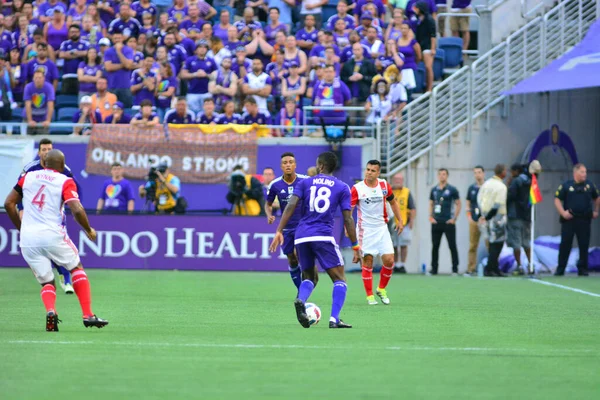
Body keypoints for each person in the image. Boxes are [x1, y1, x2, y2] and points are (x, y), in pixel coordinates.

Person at [4, 149, 109, 331]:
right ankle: (88, 315)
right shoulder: (65, 180)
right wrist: (88, 229)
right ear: (62, 165)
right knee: (76, 268)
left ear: (44, 163)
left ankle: (51, 311)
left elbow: (8, 203)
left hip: (28, 240)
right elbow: (76, 209)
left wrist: (21, 228)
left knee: (47, 282)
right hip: (53, 234)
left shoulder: (28, 177)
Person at [269, 151, 360, 329]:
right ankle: (334, 319)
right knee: (340, 279)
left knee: (310, 277)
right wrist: (355, 245)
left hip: (301, 236)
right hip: (323, 235)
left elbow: (290, 206)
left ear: (320, 166)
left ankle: (300, 300)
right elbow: (348, 219)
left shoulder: (305, 182)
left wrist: (279, 230)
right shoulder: (342, 187)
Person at [21, 139, 77, 294]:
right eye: (44, 149)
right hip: (34, 214)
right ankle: (50, 280)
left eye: (49, 149)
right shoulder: (30, 169)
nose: (46, 152)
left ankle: (65, 279)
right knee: (43, 249)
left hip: (54, 214)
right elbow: (18, 193)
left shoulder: (64, 169)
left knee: (57, 243)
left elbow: (74, 190)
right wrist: (21, 212)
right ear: (39, 152)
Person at [351, 160, 404, 305]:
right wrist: (351, 236)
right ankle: (369, 296)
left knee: (389, 260)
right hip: (365, 230)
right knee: (368, 261)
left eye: (373, 170)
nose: (369, 172)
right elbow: (348, 213)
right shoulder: (357, 189)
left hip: (382, 228)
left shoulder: (384, 185)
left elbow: (393, 202)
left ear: (378, 173)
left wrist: (400, 220)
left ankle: (381, 289)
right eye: (367, 169)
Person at [265, 153, 309, 290]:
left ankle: (305, 290)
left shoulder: (305, 181)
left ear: (295, 165)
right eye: (285, 162)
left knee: (302, 256)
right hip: (286, 228)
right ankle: (300, 289)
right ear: (281, 166)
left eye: (291, 162)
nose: (288, 164)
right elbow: (268, 204)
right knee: (291, 257)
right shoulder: (275, 184)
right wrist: (269, 214)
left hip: (303, 226)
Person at [554, 163, 599, 276]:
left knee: (584, 245)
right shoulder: (567, 185)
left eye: (585, 172)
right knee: (565, 244)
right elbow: (557, 199)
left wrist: (596, 211)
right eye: (582, 172)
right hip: (569, 220)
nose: (585, 174)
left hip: (584, 219)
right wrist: (563, 213)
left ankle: (583, 269)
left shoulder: (589, 185)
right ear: (576, 173)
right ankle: (560, 269)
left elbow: (597, 198)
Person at [477, 164, 508, 277]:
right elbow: (497, 205)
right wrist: (489, 216)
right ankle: (491, 268)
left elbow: (479, 199)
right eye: (505, 170)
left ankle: (494, 268)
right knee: (497, 244)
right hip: (496, 218)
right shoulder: (501, 187)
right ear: (502, 172)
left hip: (485, 216)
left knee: (491, 243)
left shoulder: (486, 184)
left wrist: (483, 215)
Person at [429, 168, 461, 275]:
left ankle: (455, 269)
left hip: (448, 222)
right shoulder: (434, 190)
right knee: (435, 246)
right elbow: (431, 204)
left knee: (452, 245)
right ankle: (434, 269)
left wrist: (454, 218)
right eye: (440, 174)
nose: (442, 176)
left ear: (447, 176)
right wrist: (430, 217)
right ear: (438, 176)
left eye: (444, 174)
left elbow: (458, 204)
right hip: (436, 222)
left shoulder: (452, 190)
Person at [506, 163, 532, 275]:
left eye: (511, 171)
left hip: (515, 215)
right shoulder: (530, 181)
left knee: (516, 241)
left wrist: (508, 185)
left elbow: (510, 196)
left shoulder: (516, 181)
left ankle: (519, 265)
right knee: (526, 241)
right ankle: (531, 264)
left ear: (516, 171)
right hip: (526, 215)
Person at [388, 172, 416, 274]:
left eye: (399, 180)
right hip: (392, 223)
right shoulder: (389, 191)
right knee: (393, 245)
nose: (397, 181)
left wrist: (411, 221)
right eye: (396, 179)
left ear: (402, 181)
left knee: (404, 245)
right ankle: (395, 265)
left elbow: (412, 208)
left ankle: (402, 265)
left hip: (404, 223)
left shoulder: (407, 192)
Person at [181, 40, 217, 114]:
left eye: (204, 47)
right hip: (192, 92)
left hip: (206, 92)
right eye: (200, 47)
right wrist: (195, 74)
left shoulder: (211, 61)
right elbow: (183, 75)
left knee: (206, 114)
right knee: (192, 114)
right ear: (196, 49)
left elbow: (216, 76)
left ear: (207, 49)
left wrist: (206, 75)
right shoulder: (190, 60)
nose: (202, 49)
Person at [104, 30, 135, 108]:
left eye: (119, 38)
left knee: (127, 109)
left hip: (125, 86)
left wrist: (118, 52)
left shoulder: (128, 50)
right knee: (110, 109)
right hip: (112, 86)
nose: (117, 40)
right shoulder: (108, 51)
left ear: (123, 39)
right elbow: (108, 67)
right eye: (115, 38)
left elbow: (128, 66)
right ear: (112, 39)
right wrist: (123, 65)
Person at [465, 165, 485, 276]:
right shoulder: (471, 188)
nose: (477, 175)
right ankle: (471, 268)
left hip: (485, 220)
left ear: (483, 173)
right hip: (474, 220)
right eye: (475, 172)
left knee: (489, 244)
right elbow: (467, 203)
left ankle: (490, 267)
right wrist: (469, 217)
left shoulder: (487, 187)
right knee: (473, 245)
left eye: (479, 172)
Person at [413, 1, 436, 92]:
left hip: (428, 46)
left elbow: (433, 35)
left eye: (417, 8)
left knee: (428, 67)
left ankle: (429, 88)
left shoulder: (429, 19)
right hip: (420, 45)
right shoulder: (418, 19)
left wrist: (433, 48)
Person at [24, 70, 55, 135]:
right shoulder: (28, 87)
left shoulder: (49, 87)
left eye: (40, 78)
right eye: (36, 78)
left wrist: (48, 120)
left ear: (44, 78)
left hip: (43, 117)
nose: (38, 80)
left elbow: (50, 104)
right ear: (33, 78)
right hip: (29, 116)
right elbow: (27, 104)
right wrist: (30, 120)